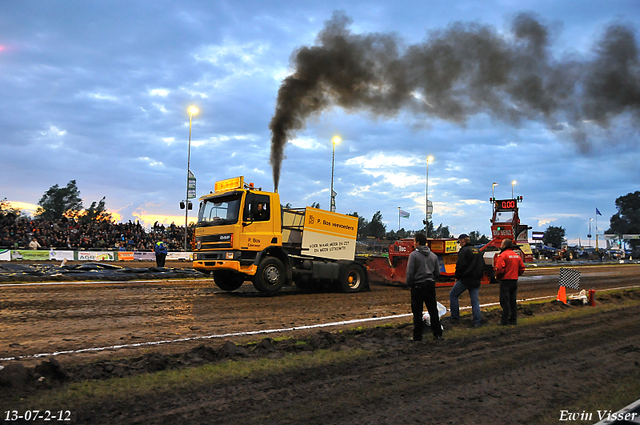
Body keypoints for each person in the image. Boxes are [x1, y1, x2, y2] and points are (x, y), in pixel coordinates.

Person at [406, 233, 442, 341]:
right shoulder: (433, 256)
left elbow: (410, 272)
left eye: (414, 241)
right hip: (430, 285)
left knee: (417, 312)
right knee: (433, 310)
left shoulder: (413, 255)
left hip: (417, 286)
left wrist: (409, 284)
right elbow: (437, 273)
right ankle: (437, 333)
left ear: (417, 242)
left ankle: (418, 336)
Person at [449, 234, 485, 327]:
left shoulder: (464, 251)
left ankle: (455, 317)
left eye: (460, 242)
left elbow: (460, 265)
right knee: (475, 301)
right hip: (476, 279)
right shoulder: (477, 250)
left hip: (465, 279)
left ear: (463, 241)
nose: (459, 244)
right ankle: (477, 321)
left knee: (453, 294)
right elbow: (482, 265)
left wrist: (457, 276)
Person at [495, 238, 525, 325]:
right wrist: (516, 274)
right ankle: (513, 320)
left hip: (505, 280)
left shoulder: (502, 255)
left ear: (504, 245)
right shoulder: (516, 255)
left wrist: (498, 277)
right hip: (514, 280)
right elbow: (522, 268)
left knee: (505, 301)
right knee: (513, 301)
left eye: (501, 244)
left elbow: (500, 269)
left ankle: (504, 321)